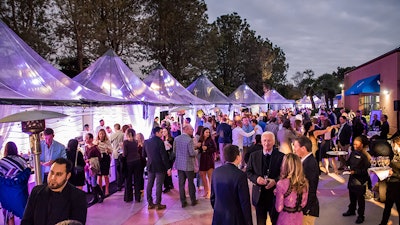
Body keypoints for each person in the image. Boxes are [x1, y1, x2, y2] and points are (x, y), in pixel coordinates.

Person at [21, 158, 87, 225]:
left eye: (58, 174)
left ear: (68, 176)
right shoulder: (36, 192)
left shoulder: (78, 197)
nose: (53, 178)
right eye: (51, 172)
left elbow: (77, 223)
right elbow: (26, 221)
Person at [247, 131, 285, 225]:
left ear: (273, 142)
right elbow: (248, 172)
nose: (266, 143)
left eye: (269, 141)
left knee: (276, 222)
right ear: (261, 141)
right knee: (260, 222)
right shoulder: (254, 156)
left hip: (275, 196)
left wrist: (275, 181)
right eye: (264, 140)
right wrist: (256, 179)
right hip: (259, 197)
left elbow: (285, 174)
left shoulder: (281, 156)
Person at [210, 144, 253, 225]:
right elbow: (244, 202)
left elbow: (213, 197)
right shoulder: (240, 175)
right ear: (238, 157)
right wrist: (248, 222)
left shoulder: (216, 172)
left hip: (218, 216)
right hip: (234, 218)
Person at [342, 136, 371, 224]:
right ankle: (351, 210)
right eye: (354, 144)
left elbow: (366, 170)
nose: (354, 146)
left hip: (360, 181)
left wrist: (355, 172)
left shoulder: (365, 156)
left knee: (360, 199)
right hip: (352, 179)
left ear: (362, 145)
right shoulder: (353, 153)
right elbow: (348, 164)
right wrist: (341, 157)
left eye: (356, 144)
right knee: (352, 196)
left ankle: (361, 216)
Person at [0, 142, 30, 225]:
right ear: (16, 149)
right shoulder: (22, 160)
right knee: (24, 215)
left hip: (6, 194)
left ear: (5, 150)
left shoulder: (2, 162)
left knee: (9, 215)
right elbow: (26, 175)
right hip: (20, 193)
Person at [274, 153, 308, 225]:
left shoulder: (281, 184)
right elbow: (303, 204)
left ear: (284, 166)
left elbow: (279, 208)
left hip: (285, 218)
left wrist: (277, 194)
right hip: (298, 217)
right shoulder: (304, 182)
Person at [143, 127, 172, 210]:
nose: (162, 133)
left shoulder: (146, 142)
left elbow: (143, 154)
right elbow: (164, 156)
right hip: (160, 166)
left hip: (150, 165)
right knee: (159, 185)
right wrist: (168, 167)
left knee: (149, 184)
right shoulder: (160, 142)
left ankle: (150, 203)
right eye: (161, 132)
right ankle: (158, 204)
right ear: (157, 133)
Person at [293, 136, 320, 225]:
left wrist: (305, 209)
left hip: (307, 209)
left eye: (296, 146)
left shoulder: (310, 164)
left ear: (303, 148)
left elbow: (311, 188)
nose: (294, 149)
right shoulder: (305, 161)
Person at [173, 124, 198, 208]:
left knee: (181, 183)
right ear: (186, 130)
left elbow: (174, 151)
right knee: (191, 183)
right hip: (188, 164)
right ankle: (193, 200)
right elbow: (191, 153)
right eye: (191, 130)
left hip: (179, 164)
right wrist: (197, 151)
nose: (192, 131)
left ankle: (183, 201)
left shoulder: (176, 139)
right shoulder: (189, 140)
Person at [378, 135, 400, 225]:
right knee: (387, 206)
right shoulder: (394, 155)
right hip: (391, 184)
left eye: (394, 144)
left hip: (398, 185)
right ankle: (383, 223)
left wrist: (393, 173)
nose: (393, 146)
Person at [84, 133, 104, 204]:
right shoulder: (86, 147)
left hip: (93, 167)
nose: (86, 140)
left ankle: (99, 195)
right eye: (85, 138)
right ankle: (97, 196)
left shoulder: (95, 148)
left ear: (91, 139)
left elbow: (99, 157)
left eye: (87, 138)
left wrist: (90, 161)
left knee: (94, 182)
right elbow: (85, 156)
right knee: (90, 181)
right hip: (87, 166)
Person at [123, 128, 142, 202]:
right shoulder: (136, 142)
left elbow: (125, 154)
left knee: (128, 180)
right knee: (137, 179)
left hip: (129, 162)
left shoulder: (126, 142)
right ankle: (138, 197)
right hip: (137, 161)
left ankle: (129, 197)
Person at [198, 127, 217, 199]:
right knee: (202, 175)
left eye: (208, 132)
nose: (208, 134)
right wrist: (199, 147)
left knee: (210, 177)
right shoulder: (200, 140)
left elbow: (215, 149)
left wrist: (207, 149)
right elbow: (199, 149)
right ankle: (206, 191)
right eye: (206, 132)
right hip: (202, 159)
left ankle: (211, 192)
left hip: (209, 159)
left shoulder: (211, 140)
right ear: (203, 133)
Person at [94, 129, 112, 196]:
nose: (101, 135)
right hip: (98, 158)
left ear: (105, 134)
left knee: (105, 174)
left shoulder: (107, 141)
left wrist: (108, 150)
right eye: (100, 134)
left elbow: (111, 151)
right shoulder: (96, 142)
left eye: (102, 133)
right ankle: (100, 190)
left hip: (105, 157)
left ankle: (107, 189)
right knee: (99, 175)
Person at [109, 123, 125, 191]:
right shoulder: (123, 134)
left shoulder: (113, 135)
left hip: (115, 153)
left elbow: (109, 142)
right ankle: (122, 182)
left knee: (117, 170)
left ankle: (118, 185)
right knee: (122, 169)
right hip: (122, 153)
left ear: (115, 128)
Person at [161, 127, 174, 193]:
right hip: (164, 156)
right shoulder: (161, 139)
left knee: (168, 170)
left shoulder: (171, 139)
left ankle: (168, 185)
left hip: (169, 156)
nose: (164, 133)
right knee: (166, 171)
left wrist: (168, 144)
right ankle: (169, 184)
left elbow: (173, 148)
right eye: (163, 131)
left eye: (165, 131)